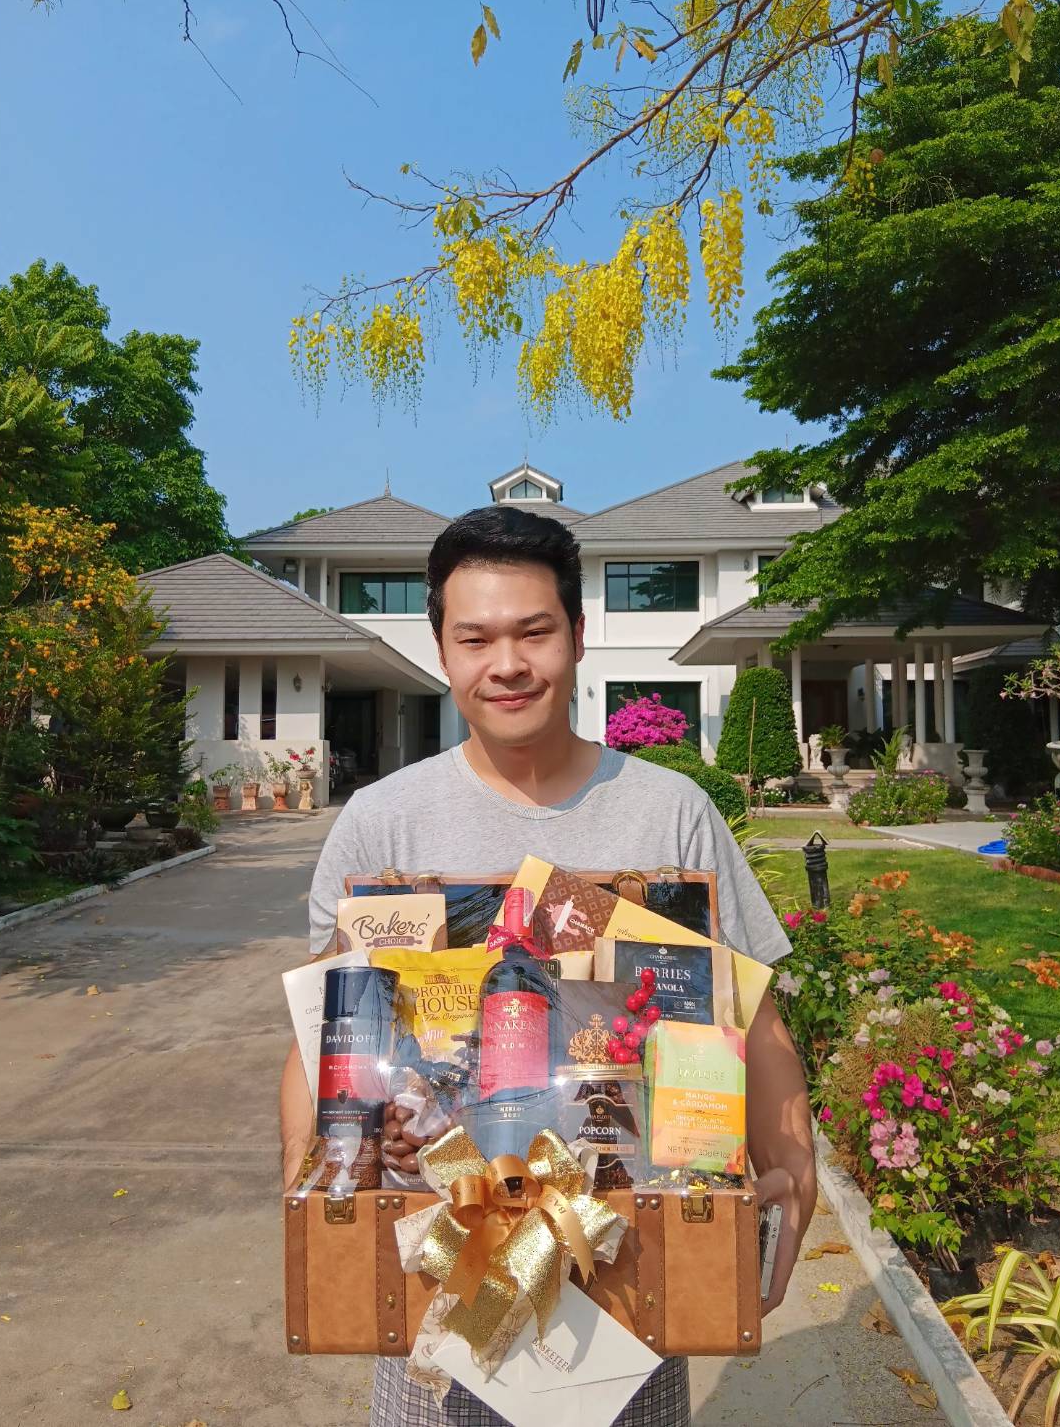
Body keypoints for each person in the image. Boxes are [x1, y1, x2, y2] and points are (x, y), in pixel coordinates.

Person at [280, 506, 817, 1427]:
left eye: (534, 631)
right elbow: (328, 1037)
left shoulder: (670, 813)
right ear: (442, 649)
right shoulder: (384, 821)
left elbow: (751, 1021)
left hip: (626, 1285)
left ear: (575, 633)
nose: (508, 663)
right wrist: (316, 1184)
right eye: (476, 636)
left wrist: (791, 1169)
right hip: (435, 1291)